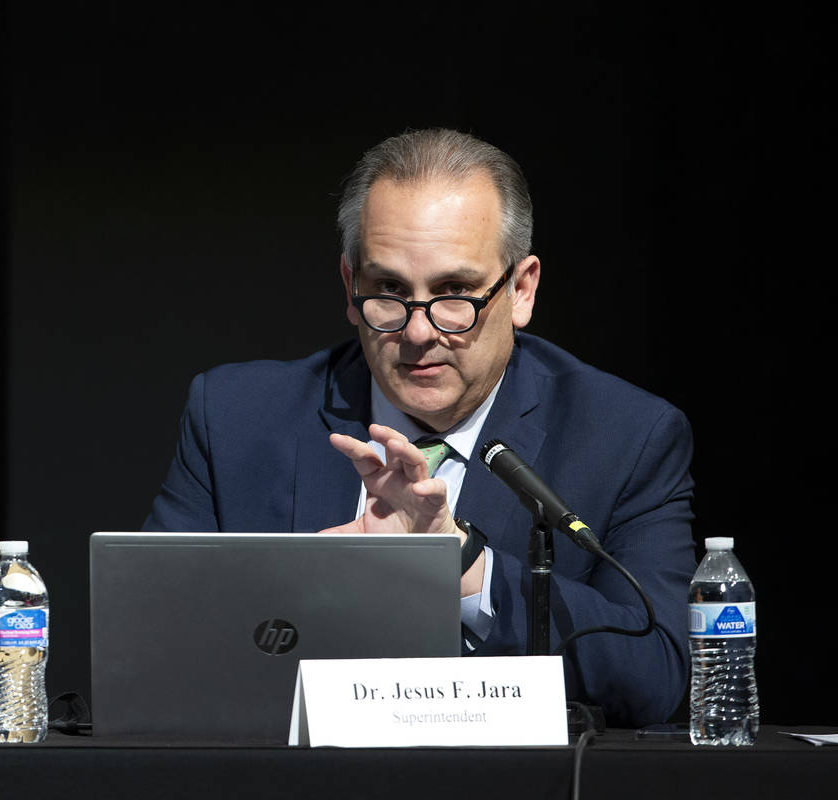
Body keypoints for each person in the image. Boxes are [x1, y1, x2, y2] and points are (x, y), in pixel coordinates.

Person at [142, 128, 695, 728]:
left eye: (455, 293)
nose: (418, 332)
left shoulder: (626, 436)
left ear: (520, 289)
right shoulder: (236, 417)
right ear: (351, 290)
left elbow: (659, 676)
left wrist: (459, 562)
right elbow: (149, 648)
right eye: (390, 291)